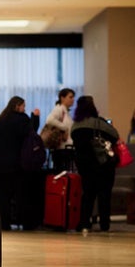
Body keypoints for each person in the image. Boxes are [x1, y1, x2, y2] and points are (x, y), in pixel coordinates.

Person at [0, 96, 40, 230]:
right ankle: (26, 223)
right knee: (22, 194)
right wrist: (36, 118)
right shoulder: (22, 120)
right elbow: (31, 133)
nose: (24, 109)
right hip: (18, 165)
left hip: (0, 166)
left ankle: (3, 223)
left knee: (4, 195)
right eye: (23, 106)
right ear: (17, 106)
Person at [70, 96, 120, 234]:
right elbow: (115, 135)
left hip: (84, 166)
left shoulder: (75, 126)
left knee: (87, 194)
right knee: (104, 194)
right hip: (103, 164)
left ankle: (85, 222)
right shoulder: (99, 123)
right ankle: (104, 224)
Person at [44, 88, 75, 172]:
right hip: (61, 149)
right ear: (62, 98)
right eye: (70, 97)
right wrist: (64, 127)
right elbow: (49, 120)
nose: (73, 99)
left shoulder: (65, 111)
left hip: (66, 148)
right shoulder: (59, 109)